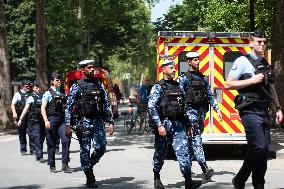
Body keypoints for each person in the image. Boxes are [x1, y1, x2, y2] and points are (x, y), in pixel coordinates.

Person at [225, 28, 283, 189]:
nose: (262, 44)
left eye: (264, 42)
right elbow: (228, 84)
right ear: (251, 43)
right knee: (259, 146)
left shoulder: (265, 63)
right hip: (249, 109)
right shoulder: (242, 61)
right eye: (259, 42)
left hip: (263, 109)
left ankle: (259, 185)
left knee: (263, 151)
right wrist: (252, 80)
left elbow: (271, 88)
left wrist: (278, 108)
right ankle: (240, 178)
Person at [148, 59, 202, 189]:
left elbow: (184, 107)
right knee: (160, 154)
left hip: (178, 124)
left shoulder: (178, 86)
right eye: (171, 68)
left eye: (174, 68)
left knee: (183, 153)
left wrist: (188, 124)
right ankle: (156, 177)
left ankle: (188, 181)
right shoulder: (158, 87)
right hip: (164, 124)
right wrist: (159, 125)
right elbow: (152, 107)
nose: (174, 70)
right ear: (164, 70)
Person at [65, 60, 114, 188]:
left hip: (98, 121)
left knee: (101, 147)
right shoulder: (77, 86)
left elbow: (106, 104)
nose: (92, 70)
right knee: (85, 150)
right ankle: (89, 176)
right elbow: (68, 107)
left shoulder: (99, 84)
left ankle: (88, 166)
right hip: (83, 122)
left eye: (93, 68)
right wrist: (68, 125)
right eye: (89, 68)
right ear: (83, 70)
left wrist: (110, 121)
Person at [177, 51, 223, 180]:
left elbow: (210, 95)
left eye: (198, 59)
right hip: (189, 113)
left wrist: (217, 109)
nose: (197, 61)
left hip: (201, 113)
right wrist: (182, 116)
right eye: (195, 60)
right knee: (196, 139)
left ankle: (186, 168)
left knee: (192, 140)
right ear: (189, 62)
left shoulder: (203, 78)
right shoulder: (183, 78)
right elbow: (179, 98)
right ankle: (204, 167)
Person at [41, 72, 73, 173]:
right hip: (52, 119)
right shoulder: (48, 93)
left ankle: (65, 164)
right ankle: (52, 165)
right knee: (51, 143)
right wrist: (46, 120)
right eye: (57, 80)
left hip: (62, 120)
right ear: (52, 81)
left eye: (60, 80)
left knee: (66, 139)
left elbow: (67, 108)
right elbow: (43, 108)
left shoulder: (63, 92)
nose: (59, 81)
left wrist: (69, 123)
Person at [18, 80, 45, 163]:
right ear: (33, 88)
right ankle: (39, 155)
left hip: (42, 120)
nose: (38, 89)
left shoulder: (43, 96)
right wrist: (20, 119)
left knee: (42, 137)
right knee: (37, 137)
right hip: (34, 121)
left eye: (39, 87)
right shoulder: (31, 98)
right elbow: (26, 108)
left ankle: (38, 152)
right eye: (36, 87)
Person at [11, 80, 34, 156]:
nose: (28, 88)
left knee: (32, 133)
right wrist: (14, 113)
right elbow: (13, 104)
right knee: (22, 133)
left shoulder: (32, 94)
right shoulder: (18, 94)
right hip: (21, 116)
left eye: (29, 86)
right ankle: (23, 149)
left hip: (30, 116)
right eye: (26, 86)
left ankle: (32, 149)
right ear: (22, 86)